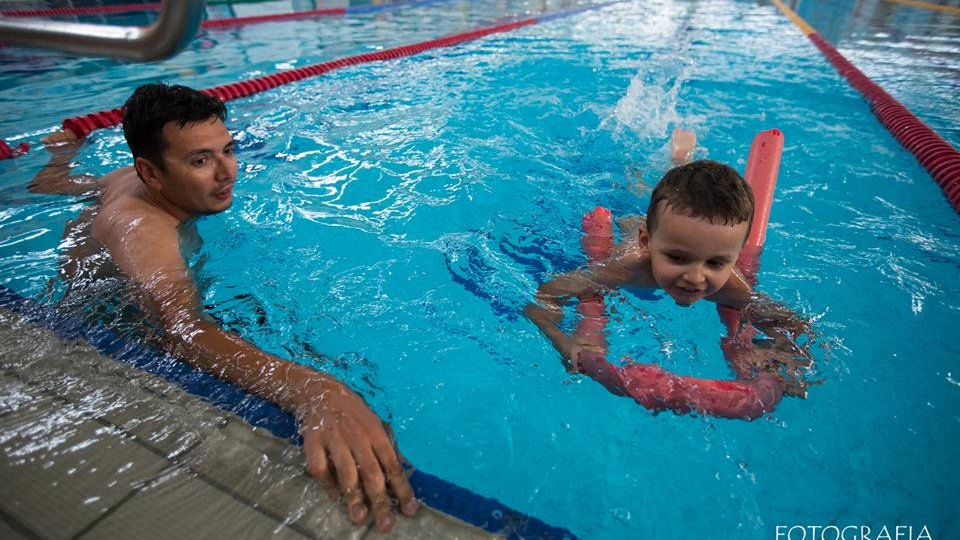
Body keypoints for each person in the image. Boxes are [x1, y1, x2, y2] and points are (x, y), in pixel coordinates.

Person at [29, 84, 417, 532]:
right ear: (151, 173)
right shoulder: (143, 228)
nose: (227, 172)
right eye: (200, 161)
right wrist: (314, 392)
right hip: (109, 319)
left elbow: (55, 187)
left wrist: (60, 156)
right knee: (319, 364)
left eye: (226, 150)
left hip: (131, 283)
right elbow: (180, 330)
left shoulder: (125, 178)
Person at [524, 156, 813, 419]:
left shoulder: (732, 288)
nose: (695, 277)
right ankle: (672, 161)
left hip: (664, 225)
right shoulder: (626, 268)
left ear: (735, 259)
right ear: (646, 243)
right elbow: (545, 296)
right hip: (629, 212)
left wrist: (780, 358)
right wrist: (565, 342)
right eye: (677, 258)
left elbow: (792, 325)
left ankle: (678, 160)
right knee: (638, 189)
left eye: (715, 263)